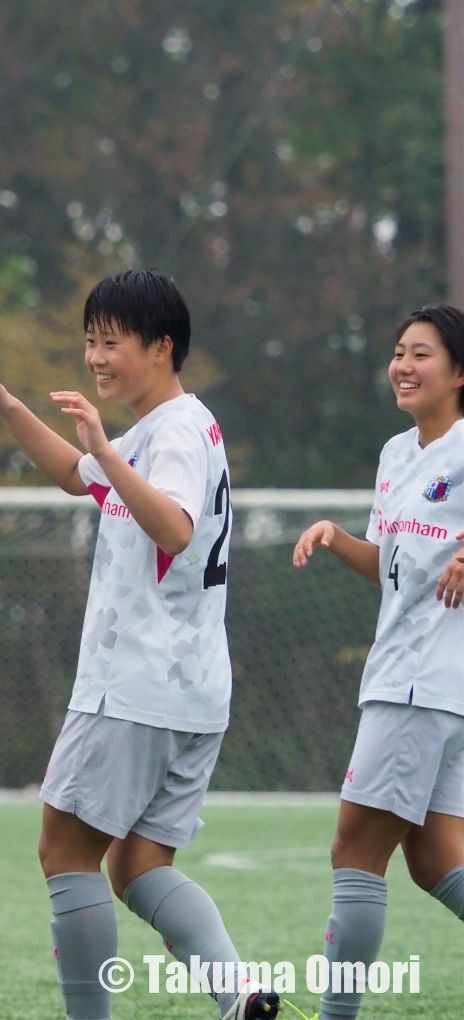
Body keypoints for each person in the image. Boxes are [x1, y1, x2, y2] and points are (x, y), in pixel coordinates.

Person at [0, 268, 279, 1020]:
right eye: (90, 342)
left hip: (135, 682)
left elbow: (173, 526)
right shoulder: (173, 425)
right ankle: (239, 994)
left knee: (64, 853)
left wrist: (106, 452)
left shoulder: (170, 431)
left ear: (163, 346)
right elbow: (78, 475)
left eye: (112, 342)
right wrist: (7, 407)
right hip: (193, 691)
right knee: (137, 866)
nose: (96, 357)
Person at [292, 303, 464, 1019]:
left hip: (424, 683)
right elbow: (394, 569)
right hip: (414, 680)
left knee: (353, 852)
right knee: (434, 861)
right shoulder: (398, 454)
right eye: (398, 352)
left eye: (421, 353)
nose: (403, 365)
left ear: (459, 372)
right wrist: (337, 539)